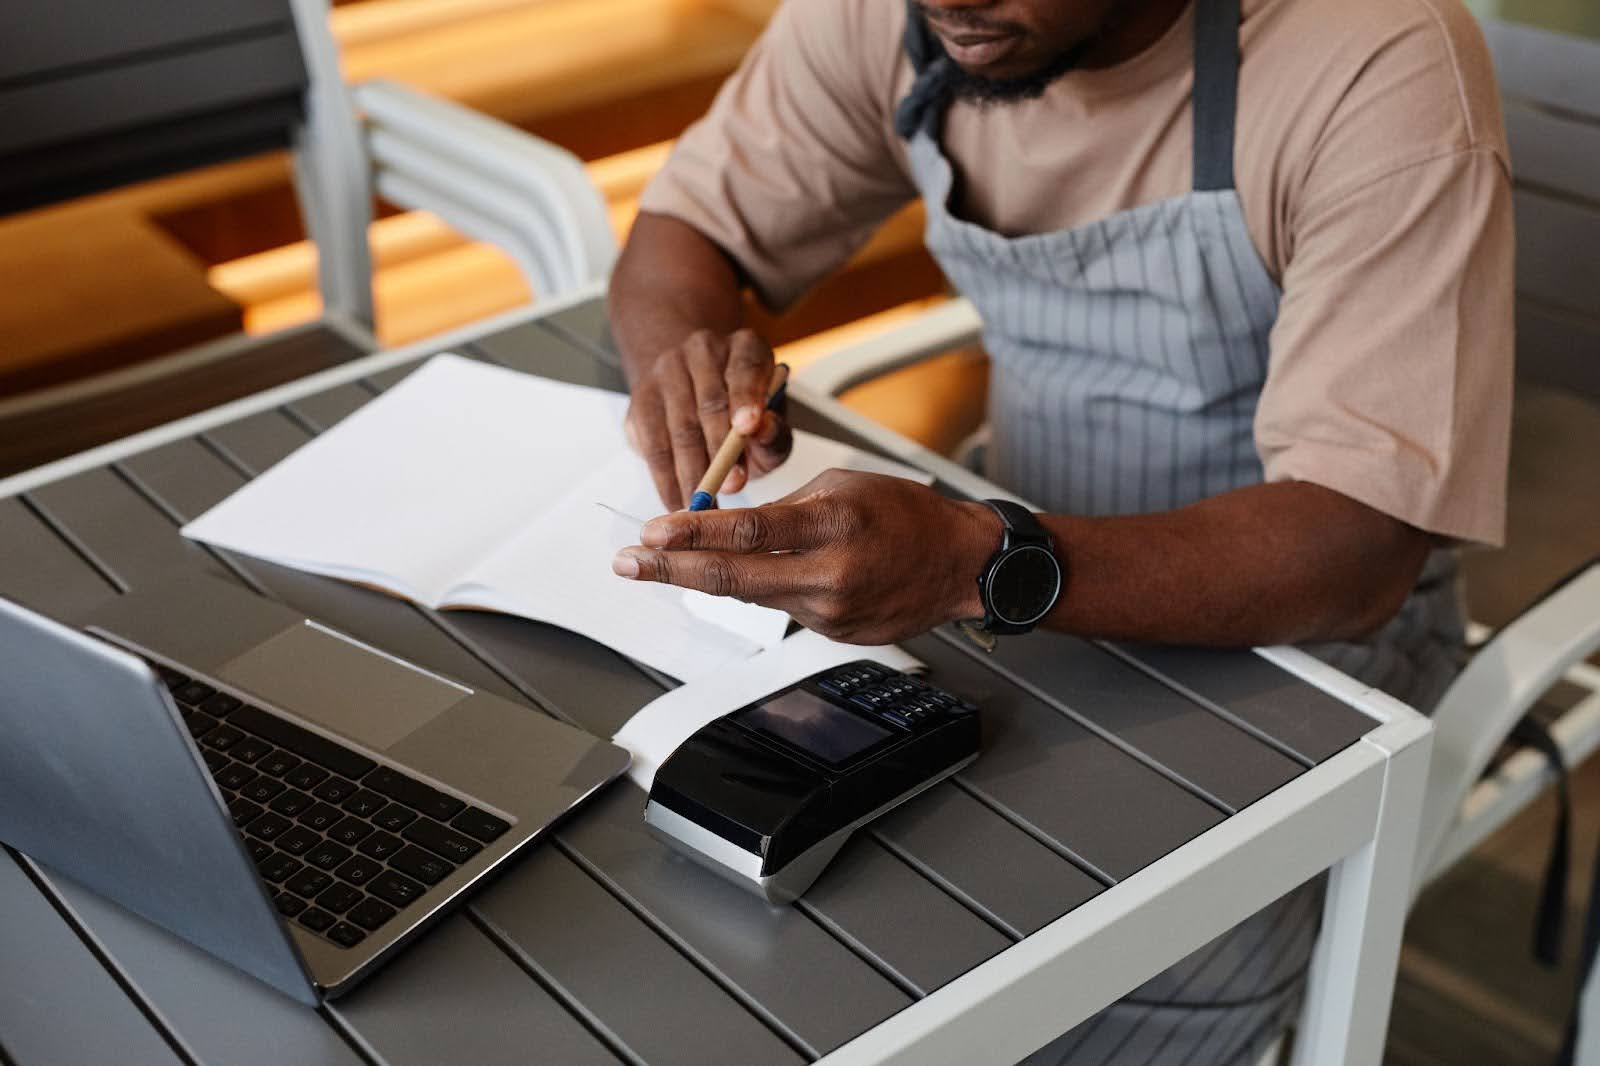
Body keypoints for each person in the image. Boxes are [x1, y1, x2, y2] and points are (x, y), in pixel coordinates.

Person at [605, 0, 1513, 1060]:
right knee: (809, 933)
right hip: (988, 583)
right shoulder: (906, 16)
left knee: (1090, 978)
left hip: (1295, 637)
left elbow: (1353, 548)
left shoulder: (1373, 58)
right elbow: (684, 236)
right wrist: (689, 363)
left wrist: (977, 561)